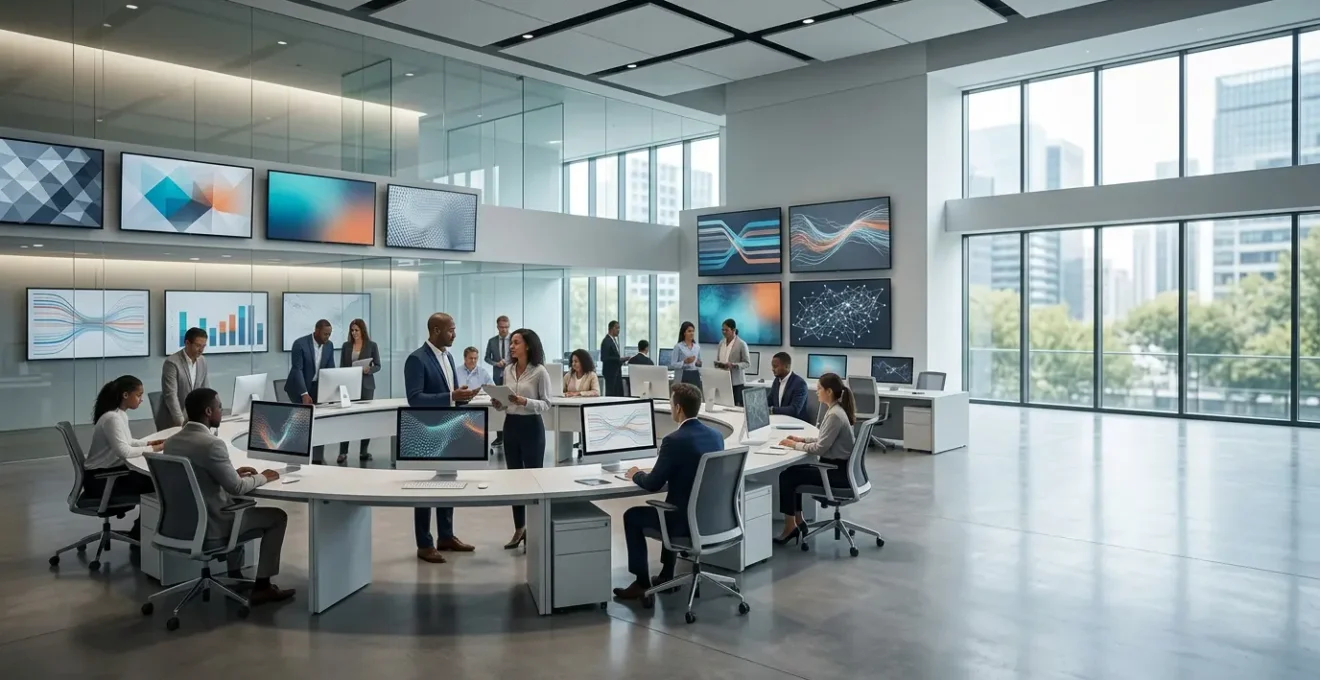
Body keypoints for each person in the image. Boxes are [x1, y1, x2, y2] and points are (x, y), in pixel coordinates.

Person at [164, 388, 295, 606]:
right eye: (219, 407)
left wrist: (231, 471)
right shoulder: (212, 444)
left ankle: (236, 575)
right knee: (277, 516)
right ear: (208, 411)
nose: (221, 411)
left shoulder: (171, 442)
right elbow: (236, 488)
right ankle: (262, 587)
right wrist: (263, 477)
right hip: (213, 526)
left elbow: (198, 474)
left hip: (179, 524)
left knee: (239, 505)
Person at [612, 383, 725, 600]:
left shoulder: (673, 441)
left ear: (679, 408)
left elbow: (653, 483)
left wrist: (635, 474)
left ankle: (641, 582)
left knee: (633, 516)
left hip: (684, 523)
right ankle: (666, 574)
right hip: (712, 519)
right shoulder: (716, 436)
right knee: (674, 500)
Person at [404, 313, 477, 563]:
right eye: (450, 330)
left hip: (448, 428)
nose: (454, 334)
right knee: (424, 488)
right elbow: (414, 398)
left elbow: (451, 394)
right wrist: (450, 397)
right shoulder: (416, 359)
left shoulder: (449, 356)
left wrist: (464, 396)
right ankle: (424, 544)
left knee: (447, 482)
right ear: (435, 330)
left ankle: (446, 536)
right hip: (426, 431)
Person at [774, 373, 857, 545]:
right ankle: (798, 521)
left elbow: (820, 448)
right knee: (791, 472)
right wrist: (801, 440)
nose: (816, 392)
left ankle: (791, 526)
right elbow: (824, 439)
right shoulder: (836, 410)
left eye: (819, 388)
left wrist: (792, 445)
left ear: (828, 391)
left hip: (835, 474)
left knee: (788, 477)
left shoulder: (834, 415)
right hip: (839, 469)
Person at [488, 328, 552, 549]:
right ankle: (519, 529)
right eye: (511, 343)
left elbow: (546, 404)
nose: (511, 346)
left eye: (516, 342)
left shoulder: (540, 371)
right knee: (514, 479)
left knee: (533, 479)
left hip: (532, 427)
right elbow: (507, 402)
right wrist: (500, 403)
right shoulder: (508, 370)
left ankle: (535, 530)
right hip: (511, 425)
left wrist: (524, 401)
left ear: (528, 346)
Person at [84, 375, 164, 539]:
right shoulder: (112, 418)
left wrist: (150, 442)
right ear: (125, 395)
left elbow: (128, 442)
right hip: (101, 479)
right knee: (159, 483)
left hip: (108, 474)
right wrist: (157, 448)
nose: (141, 400)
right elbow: (125, 452)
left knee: (155, 479)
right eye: (139, 395)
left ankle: (140, 531)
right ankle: (141, 533)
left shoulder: (119, 415)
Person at [285, 319, 335, 464]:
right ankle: (297, 457)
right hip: (298, 388)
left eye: (330, 334)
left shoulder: (329, 346)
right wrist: (304, 393)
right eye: (325, 334)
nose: (328, 337)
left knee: (319, 421)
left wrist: (332, 389)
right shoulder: (300, 344)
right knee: (301, 422)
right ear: (317, 331)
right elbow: (297, 370)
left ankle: (317, 459)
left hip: (317, 387)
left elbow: (330, 368)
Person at [336, 318, 380, 466]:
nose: (354, 333)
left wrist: (369, 369)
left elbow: (378, 365)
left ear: (362, 331)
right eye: (352, 330)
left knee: (365, 419)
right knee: (346, 419)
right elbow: (342, 365)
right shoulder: (346, 346)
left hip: (366, 385)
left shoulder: (372, 345)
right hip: (349, 386)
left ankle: (363, 451)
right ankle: (343, 452)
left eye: (356, 330)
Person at [157, 327, 209, 431]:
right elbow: (171, 396)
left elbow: (205, 391)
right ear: (187, 343)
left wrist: (208, 417)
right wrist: (182, 424)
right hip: (173, 421)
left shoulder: (202, 361)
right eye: (198, 346)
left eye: (204, 346)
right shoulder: (172, 362)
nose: (201, 350)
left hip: (194, 420)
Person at [484, 315, 511, 447]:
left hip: (511, 375)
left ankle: (510, 435)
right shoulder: (492, 341)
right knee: (498, 404)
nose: (504, 330)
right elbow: (486, 358)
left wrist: (508, 362)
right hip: (497, 376)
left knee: (510, 404)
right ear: (497, 327)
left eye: (506, 327)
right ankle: (500, 437)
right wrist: (496, 363)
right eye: (502, 327)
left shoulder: (514, 340)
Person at [713, 318, 752, 406]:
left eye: (726, 330)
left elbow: (747, 363)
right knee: (723, 405)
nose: (723, 332)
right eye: (722, 330)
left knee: (736, 406)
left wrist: (733, 365)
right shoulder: (721, 343)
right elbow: (719, 358)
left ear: (733, 330)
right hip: (723, 380)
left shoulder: (741, 344)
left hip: (736, 382)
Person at [768, 352, 809, 422]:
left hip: (796, 423)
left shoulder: (800, 384)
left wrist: (771, 410)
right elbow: (769, 400)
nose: (772, 369)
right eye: (772, 366)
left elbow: (794, 410)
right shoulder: (776, 381)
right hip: (779, 421)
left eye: (775, 366)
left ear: (787, 366)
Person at [669, 321, 702, 388]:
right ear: (684, 333)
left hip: (695, 375)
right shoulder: (678, 347)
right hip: (683, 375)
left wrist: (699, 363)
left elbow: (698, 362)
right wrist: (684, 362)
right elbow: (673, 364)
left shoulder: (697, 347)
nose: (692, 333)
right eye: (689, 331)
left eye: (693, 331)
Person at [600, 320, 624, 396]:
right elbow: (604, 358)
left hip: (616, 372)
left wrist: (621, 361)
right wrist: (619, 359)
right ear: (611, 328)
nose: (618, 330)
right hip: (611, 373)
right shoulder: (606, 341)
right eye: (617, 328)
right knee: (612, 395)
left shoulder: (613, 340)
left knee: (618, 394)